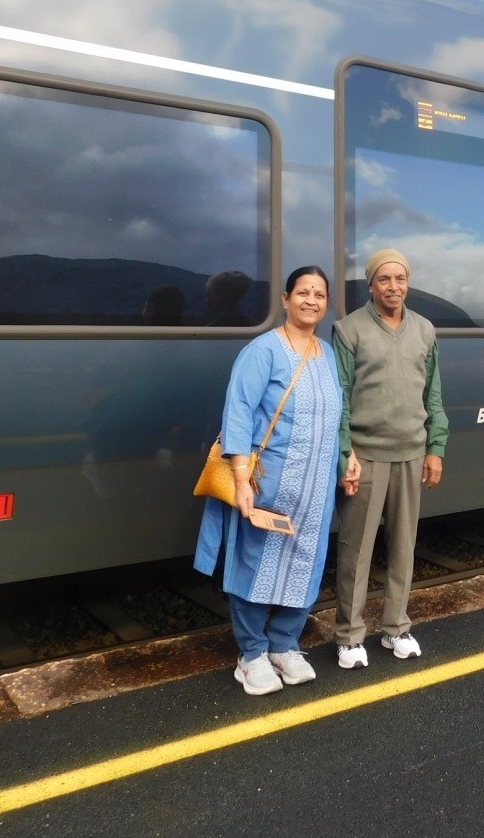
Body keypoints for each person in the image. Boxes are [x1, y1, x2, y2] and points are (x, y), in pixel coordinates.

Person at [194, 266, 359, 695]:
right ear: (285, 300)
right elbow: (238, 413)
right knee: (254, 563)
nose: (311, 300)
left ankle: (285, 644)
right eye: (302, 292)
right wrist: (241, 480)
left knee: (305, 564)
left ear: (326, 304)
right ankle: (251, 654)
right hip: (266, 484)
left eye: (319, 294)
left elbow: (338, 415)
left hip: (315, 491)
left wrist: (348, 457)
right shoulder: (262, 350)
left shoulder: (328, 355)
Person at [332, 248, 448, 668]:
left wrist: (435, 448)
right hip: (365, 457)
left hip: (411, 454)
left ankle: (396, 628)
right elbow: (340, 399)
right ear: (371, 285)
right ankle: (349, 636)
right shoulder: (349, 330)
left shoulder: (425, 330)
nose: (393, 286)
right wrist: (345, 454)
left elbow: (432, 395)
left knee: (403, 547)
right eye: (384, 279)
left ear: (408, 284)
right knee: (356, 550)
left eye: (400, 278)